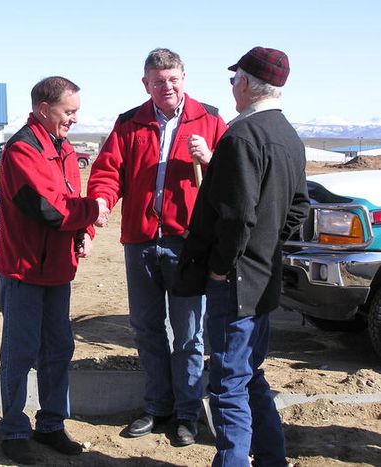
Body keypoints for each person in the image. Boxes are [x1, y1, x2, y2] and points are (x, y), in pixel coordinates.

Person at [87, 48, 227, 445]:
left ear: (184, 77)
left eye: (173, 79)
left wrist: (212, 157)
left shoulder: (211, 119)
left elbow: (235, 178)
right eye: (158, 81)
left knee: (188, 334)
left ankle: (187, 413)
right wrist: (101, 200)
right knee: (146, 328)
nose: (166, 87)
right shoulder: (130, 122)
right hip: (141, 241)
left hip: (187, 243)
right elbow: (107, 171)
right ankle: (157, 407)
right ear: (145, 83)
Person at [179, 47, 310, 466]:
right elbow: (298, 210)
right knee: (249, 374)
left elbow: (236, 218)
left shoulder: (241, 136)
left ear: (247, 84)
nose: (232, 86)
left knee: (228, 384)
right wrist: (267, 250)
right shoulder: (287, 134)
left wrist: (220, 267)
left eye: (234, 79)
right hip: (262, 279)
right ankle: (272, 458)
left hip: (235, 284)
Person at [0, 76, 109, 465]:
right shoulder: (23, 151)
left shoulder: (60, 147)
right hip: (26, 271)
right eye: (69, 111)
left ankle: (50, 424)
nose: (74, 119)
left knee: (58, 349)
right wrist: (92, 212)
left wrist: (85, 229)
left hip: (57, 269)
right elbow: (50, 209)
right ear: (44, 109)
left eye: (76, 112)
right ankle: (13, 429)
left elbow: (69, 202)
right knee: (20, 351)